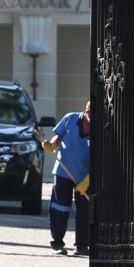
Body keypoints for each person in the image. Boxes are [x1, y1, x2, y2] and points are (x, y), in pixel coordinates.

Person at [45, 105, 90, 255]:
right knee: (59, 207)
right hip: (63, 171)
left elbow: (102, 155)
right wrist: (52, 144)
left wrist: (89, 180)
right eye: (90, 113)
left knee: (84, 211)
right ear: (86, 111)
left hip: (85, 177)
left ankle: (82, 245)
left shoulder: (102, 127)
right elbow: (58, 136)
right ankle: (57, 243)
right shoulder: (70, 118)